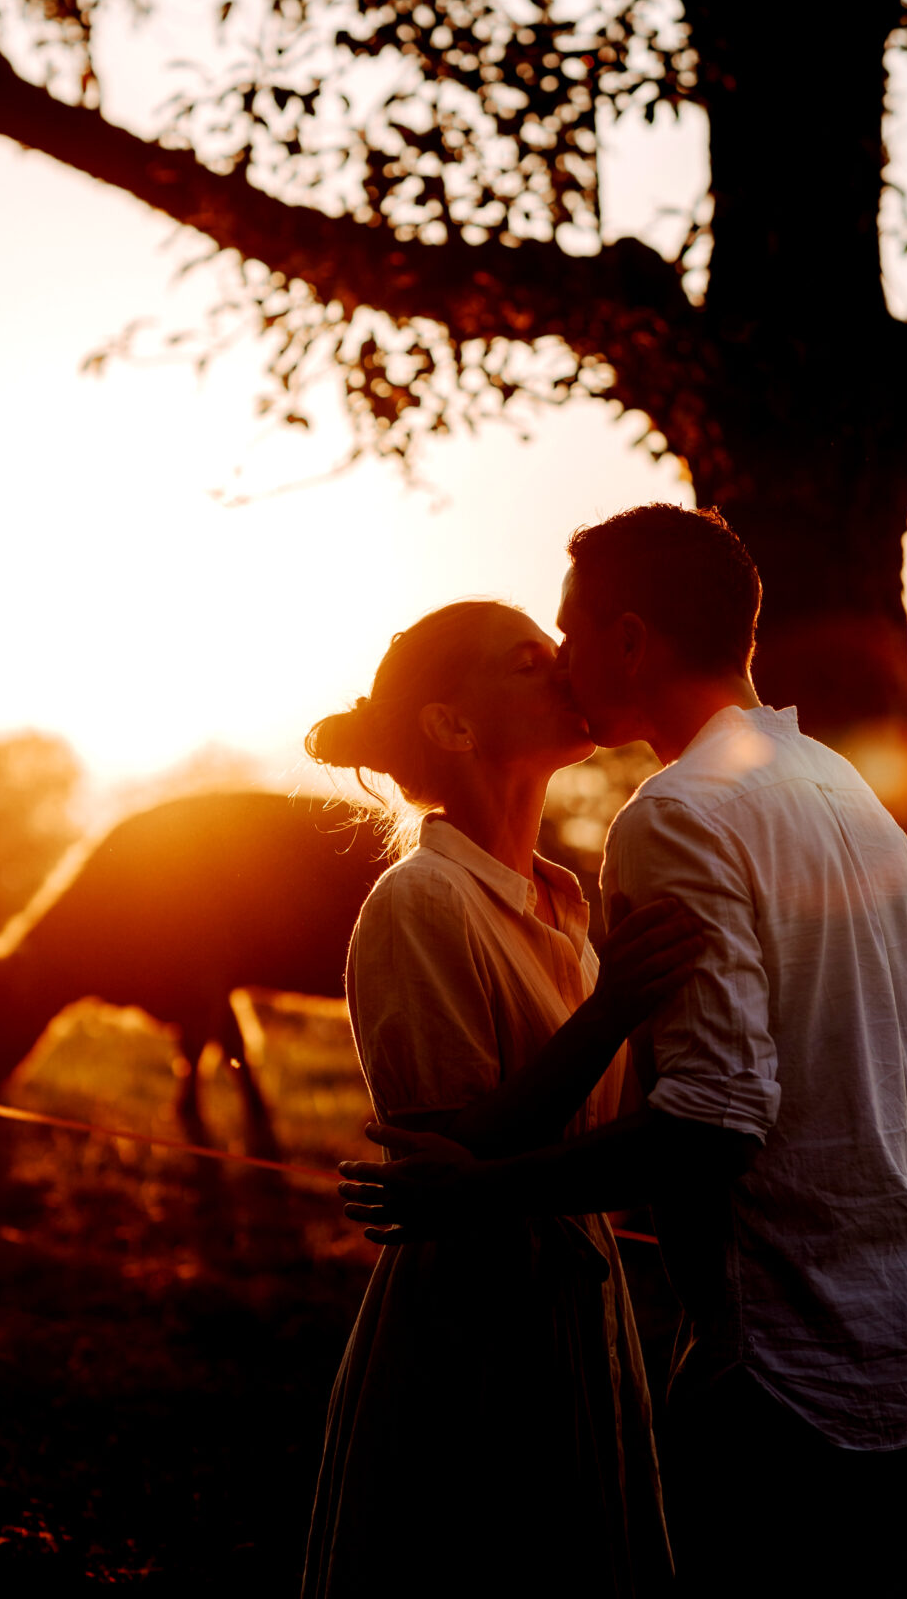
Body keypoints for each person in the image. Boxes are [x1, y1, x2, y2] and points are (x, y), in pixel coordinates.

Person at [339, 505, 907, 1599]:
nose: (559, 661)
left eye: (566, 632)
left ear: (635, 641)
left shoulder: (675, 815)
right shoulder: (846, 790)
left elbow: (713, 1120)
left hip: (800, 1371)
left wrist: (487, 1188)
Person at [300, 598, 703, 1599]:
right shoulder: (418, 905)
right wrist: (610, 1013)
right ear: (451, 722)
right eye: (528, 658)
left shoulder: (568, 905)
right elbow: (450, 1170)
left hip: (580, 1305)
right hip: (471, 1329)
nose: (562, 666)